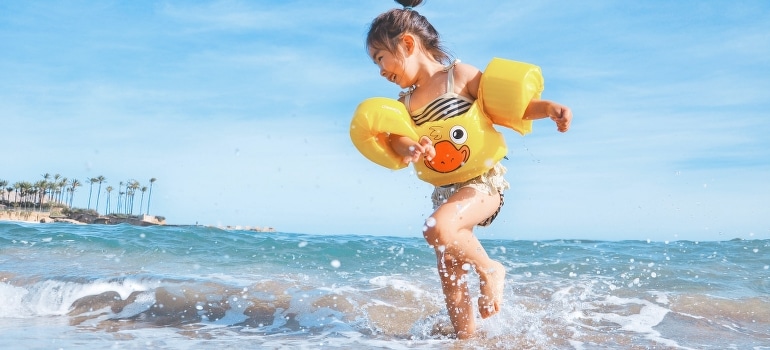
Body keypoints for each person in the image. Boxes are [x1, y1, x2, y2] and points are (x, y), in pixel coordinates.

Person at [363, 0, 572, 339]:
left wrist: (547, 108)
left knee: (435, 229)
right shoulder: (404, 104)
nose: (380, 70)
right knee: (449, 270)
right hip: (444, 192)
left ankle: (491, 270)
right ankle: (466, 341)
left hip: (482, 184)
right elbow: (400, 140)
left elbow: (510, 106)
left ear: (407, 44)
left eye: (380, 58)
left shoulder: (458, 77)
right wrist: (411, 147)